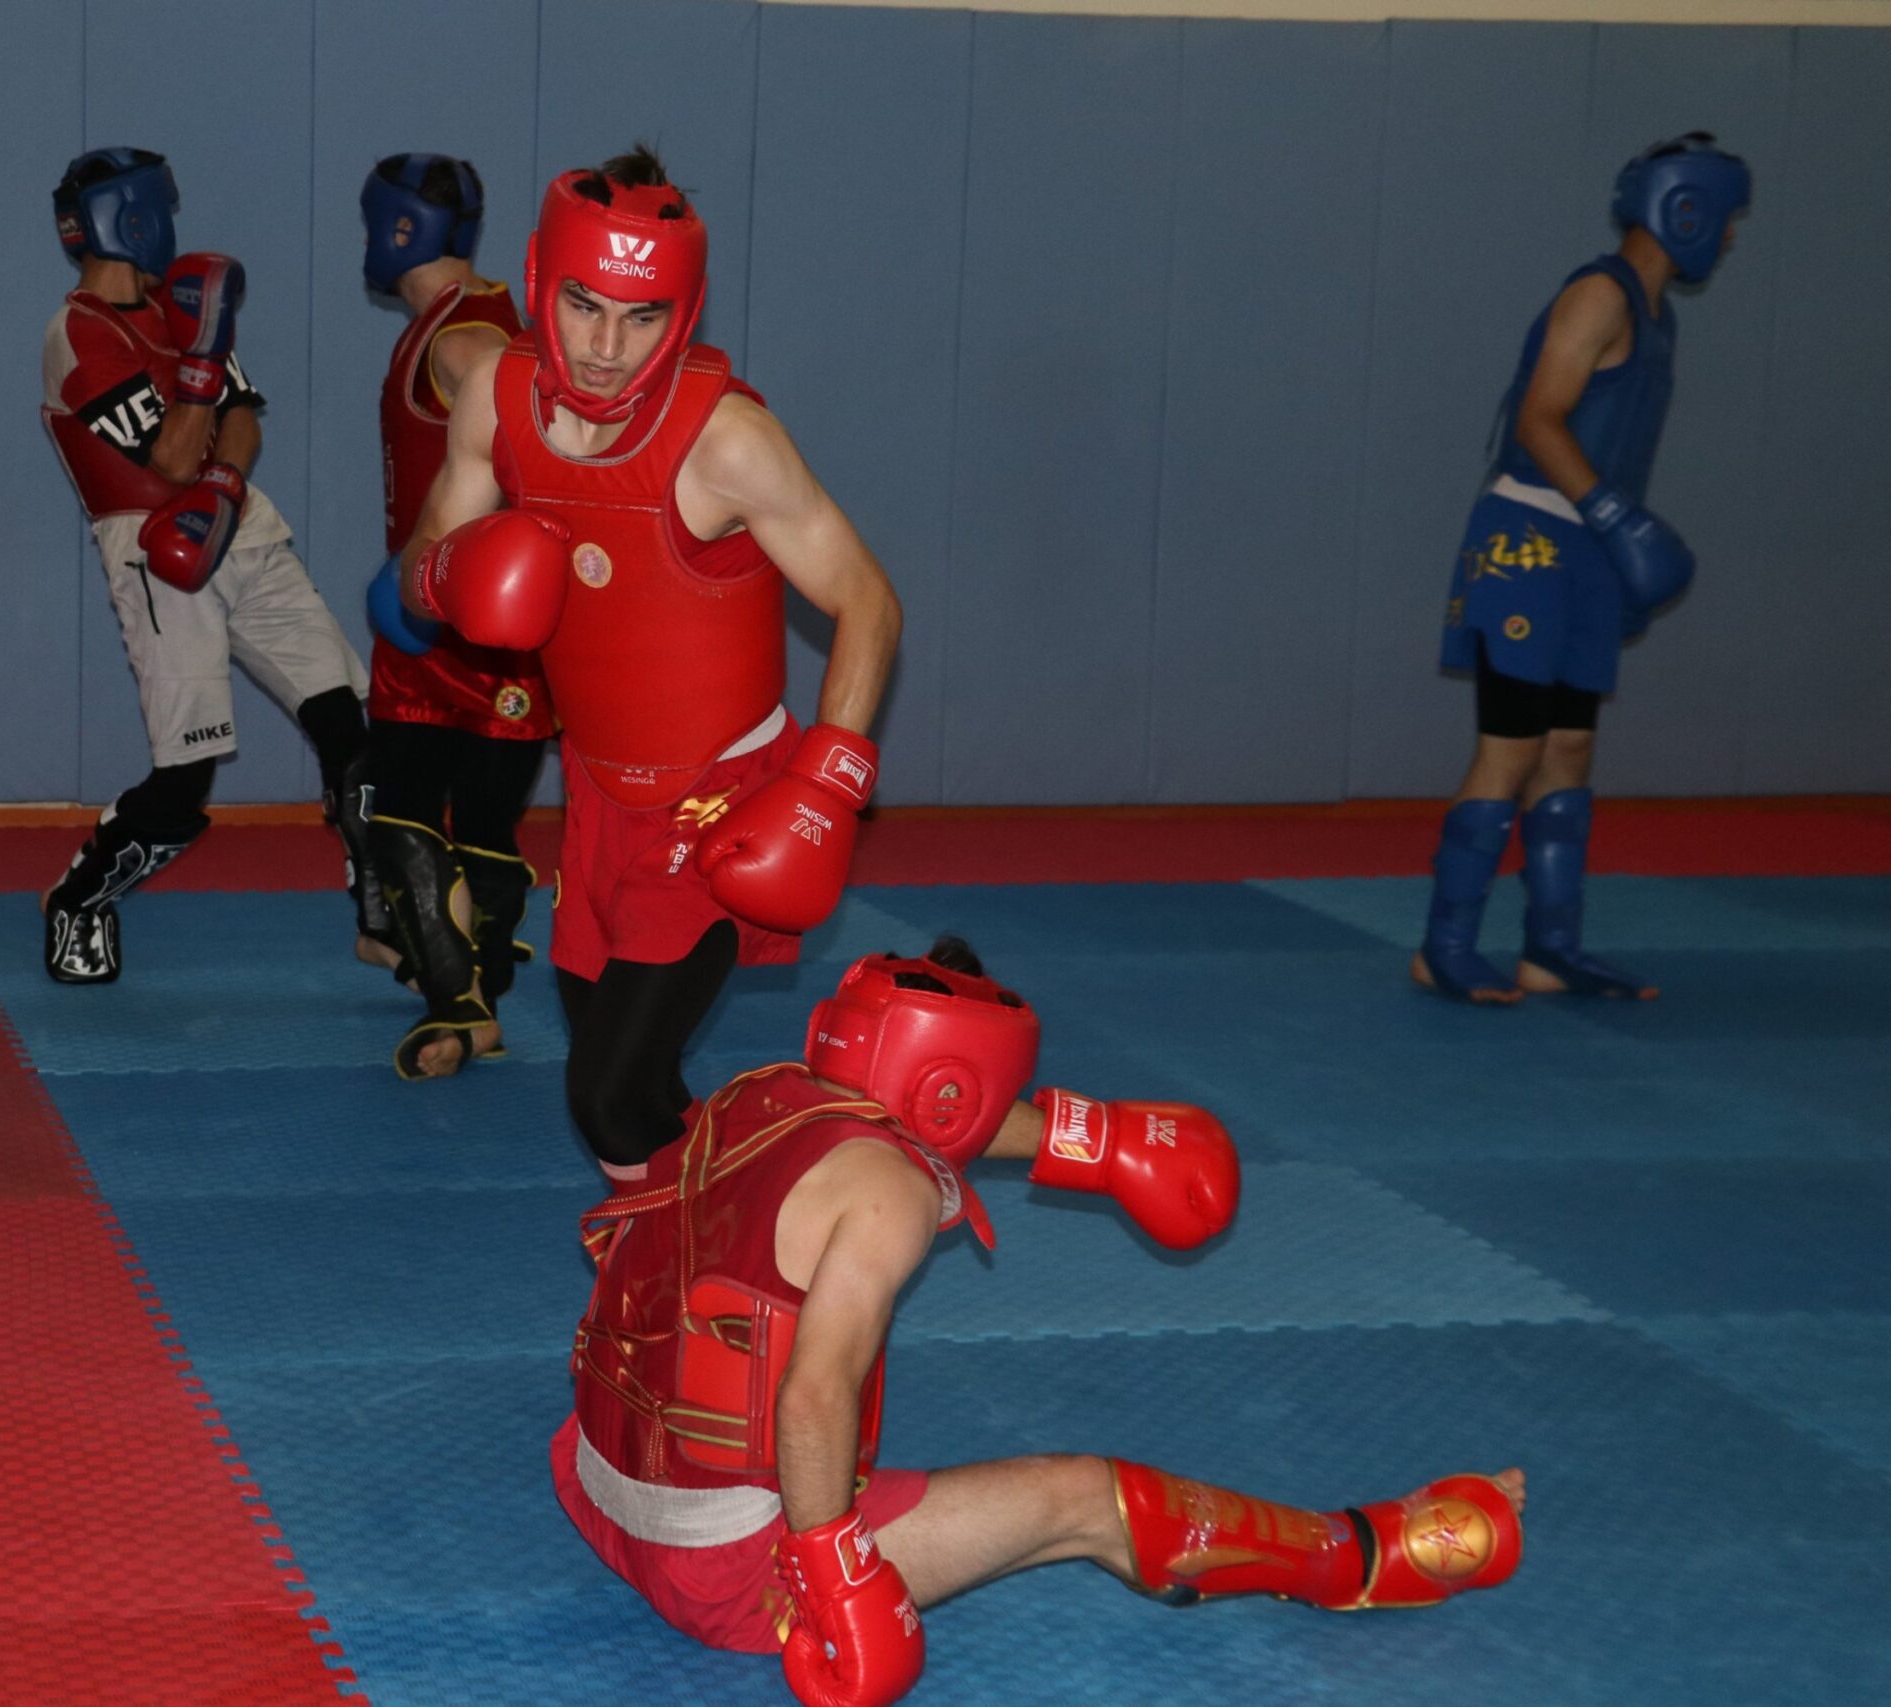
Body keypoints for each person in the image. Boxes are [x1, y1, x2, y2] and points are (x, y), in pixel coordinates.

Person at [558, 939, 1522, 1706]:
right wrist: (834, 1576)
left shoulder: (761, 1090)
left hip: (600, 1488)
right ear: (956, 1088)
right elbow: (813, 1397)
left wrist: (1099, 1141)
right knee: (1080, 1499)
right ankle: (1359, 1553)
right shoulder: (887, 1193)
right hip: (725, 1569)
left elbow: (924, 1111)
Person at [398, 147, 903, 1173]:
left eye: (641, 318)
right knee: (635, 1077)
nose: (605, 348)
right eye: (584, 307)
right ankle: (771, 1224)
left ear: (686, 313)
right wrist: (448, 577)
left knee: (607, 1098)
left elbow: (867, 601)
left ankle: (674, 1295)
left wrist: (826, 786)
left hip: (721, 800)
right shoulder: (494, 406)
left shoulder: (726, 443)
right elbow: (418, 562)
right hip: (596, 796)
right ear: (541, 282)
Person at [1418, 133, 1751, 1004]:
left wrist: (1612, 535)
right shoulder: (1598, 295)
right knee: (1512, 747)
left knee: (1569, 746)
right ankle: (1442, 944)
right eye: (1726, 220)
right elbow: (1538, 419)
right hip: (1530, 539)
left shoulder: (1656, 314)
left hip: (1589, 549)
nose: (1728, 239)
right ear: (1687, 206)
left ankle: (1550, 947)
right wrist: (1615, 517)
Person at [40, 147, 382, 983]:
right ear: (128, 216)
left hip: (242, 532)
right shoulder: (77, 335)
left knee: (351, 725)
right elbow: (170, 459)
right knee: (186, 776)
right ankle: (79, 898)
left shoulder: (177, 303)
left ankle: (383, 904)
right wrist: (202, 399)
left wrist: (223, 485)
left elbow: (243, 421)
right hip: (158, 559)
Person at [353, 153, 555, 1077]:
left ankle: (459, 1005)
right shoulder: (487, 309)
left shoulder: (459, 340)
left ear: (399, 229)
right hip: (508, 621)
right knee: (477, 818)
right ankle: (477, 990)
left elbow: (526, 417)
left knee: (401, 810)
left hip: (443, 614)